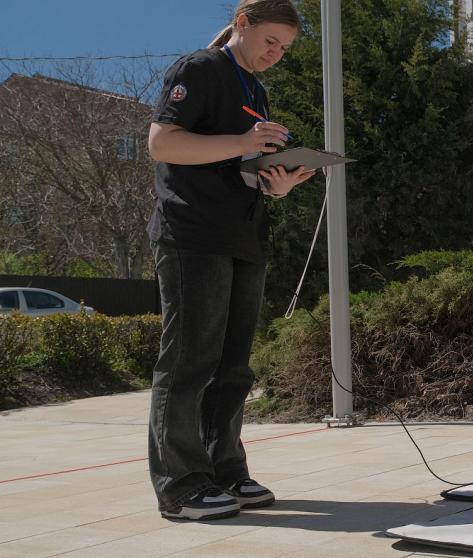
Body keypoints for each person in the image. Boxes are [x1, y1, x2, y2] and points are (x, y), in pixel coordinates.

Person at [146, 0, 314, 521]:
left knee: (233, 366)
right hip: (192, 233)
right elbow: (163, 143)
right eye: (271, 41)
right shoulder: (198, 68)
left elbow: (236, 165)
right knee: (189, 359)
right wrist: (244, 140)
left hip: (242, 235)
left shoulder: (255, 90)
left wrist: (277, 183)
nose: (276, 53)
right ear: (242, 24)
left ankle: (224, 471)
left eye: (285, 48)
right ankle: (180, 485)